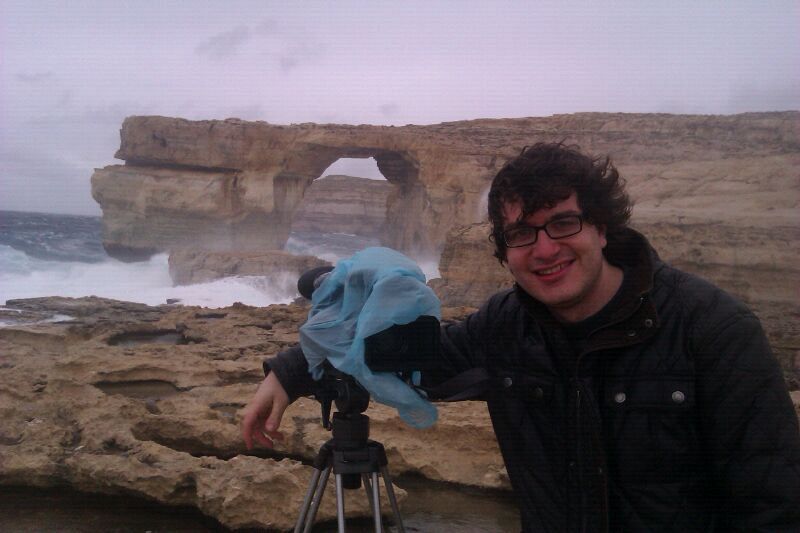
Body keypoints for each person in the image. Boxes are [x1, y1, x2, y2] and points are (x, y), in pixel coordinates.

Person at [242, 142, 800, 532]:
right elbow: (416, 357)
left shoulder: (714, 330)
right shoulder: (504, 326)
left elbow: (773, 506)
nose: (545, 248)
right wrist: (294, 369)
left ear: (602, 226)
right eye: (521, 234)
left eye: (563, 223)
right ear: (505, 250)